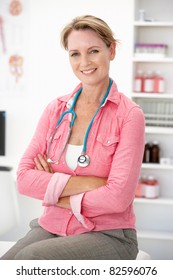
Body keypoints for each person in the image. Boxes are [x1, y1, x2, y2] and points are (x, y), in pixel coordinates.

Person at [1, 15, 145, 260]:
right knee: (6, 265)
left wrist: (54, 190)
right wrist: (93, 183)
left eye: (93, 51)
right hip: (52, 225)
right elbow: (24, 179)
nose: (84, 62)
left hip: (108, 234)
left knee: (31, 259)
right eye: (75, 53)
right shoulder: (55, 110)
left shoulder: (130, 115)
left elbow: (118, 198)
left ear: (112, 50)